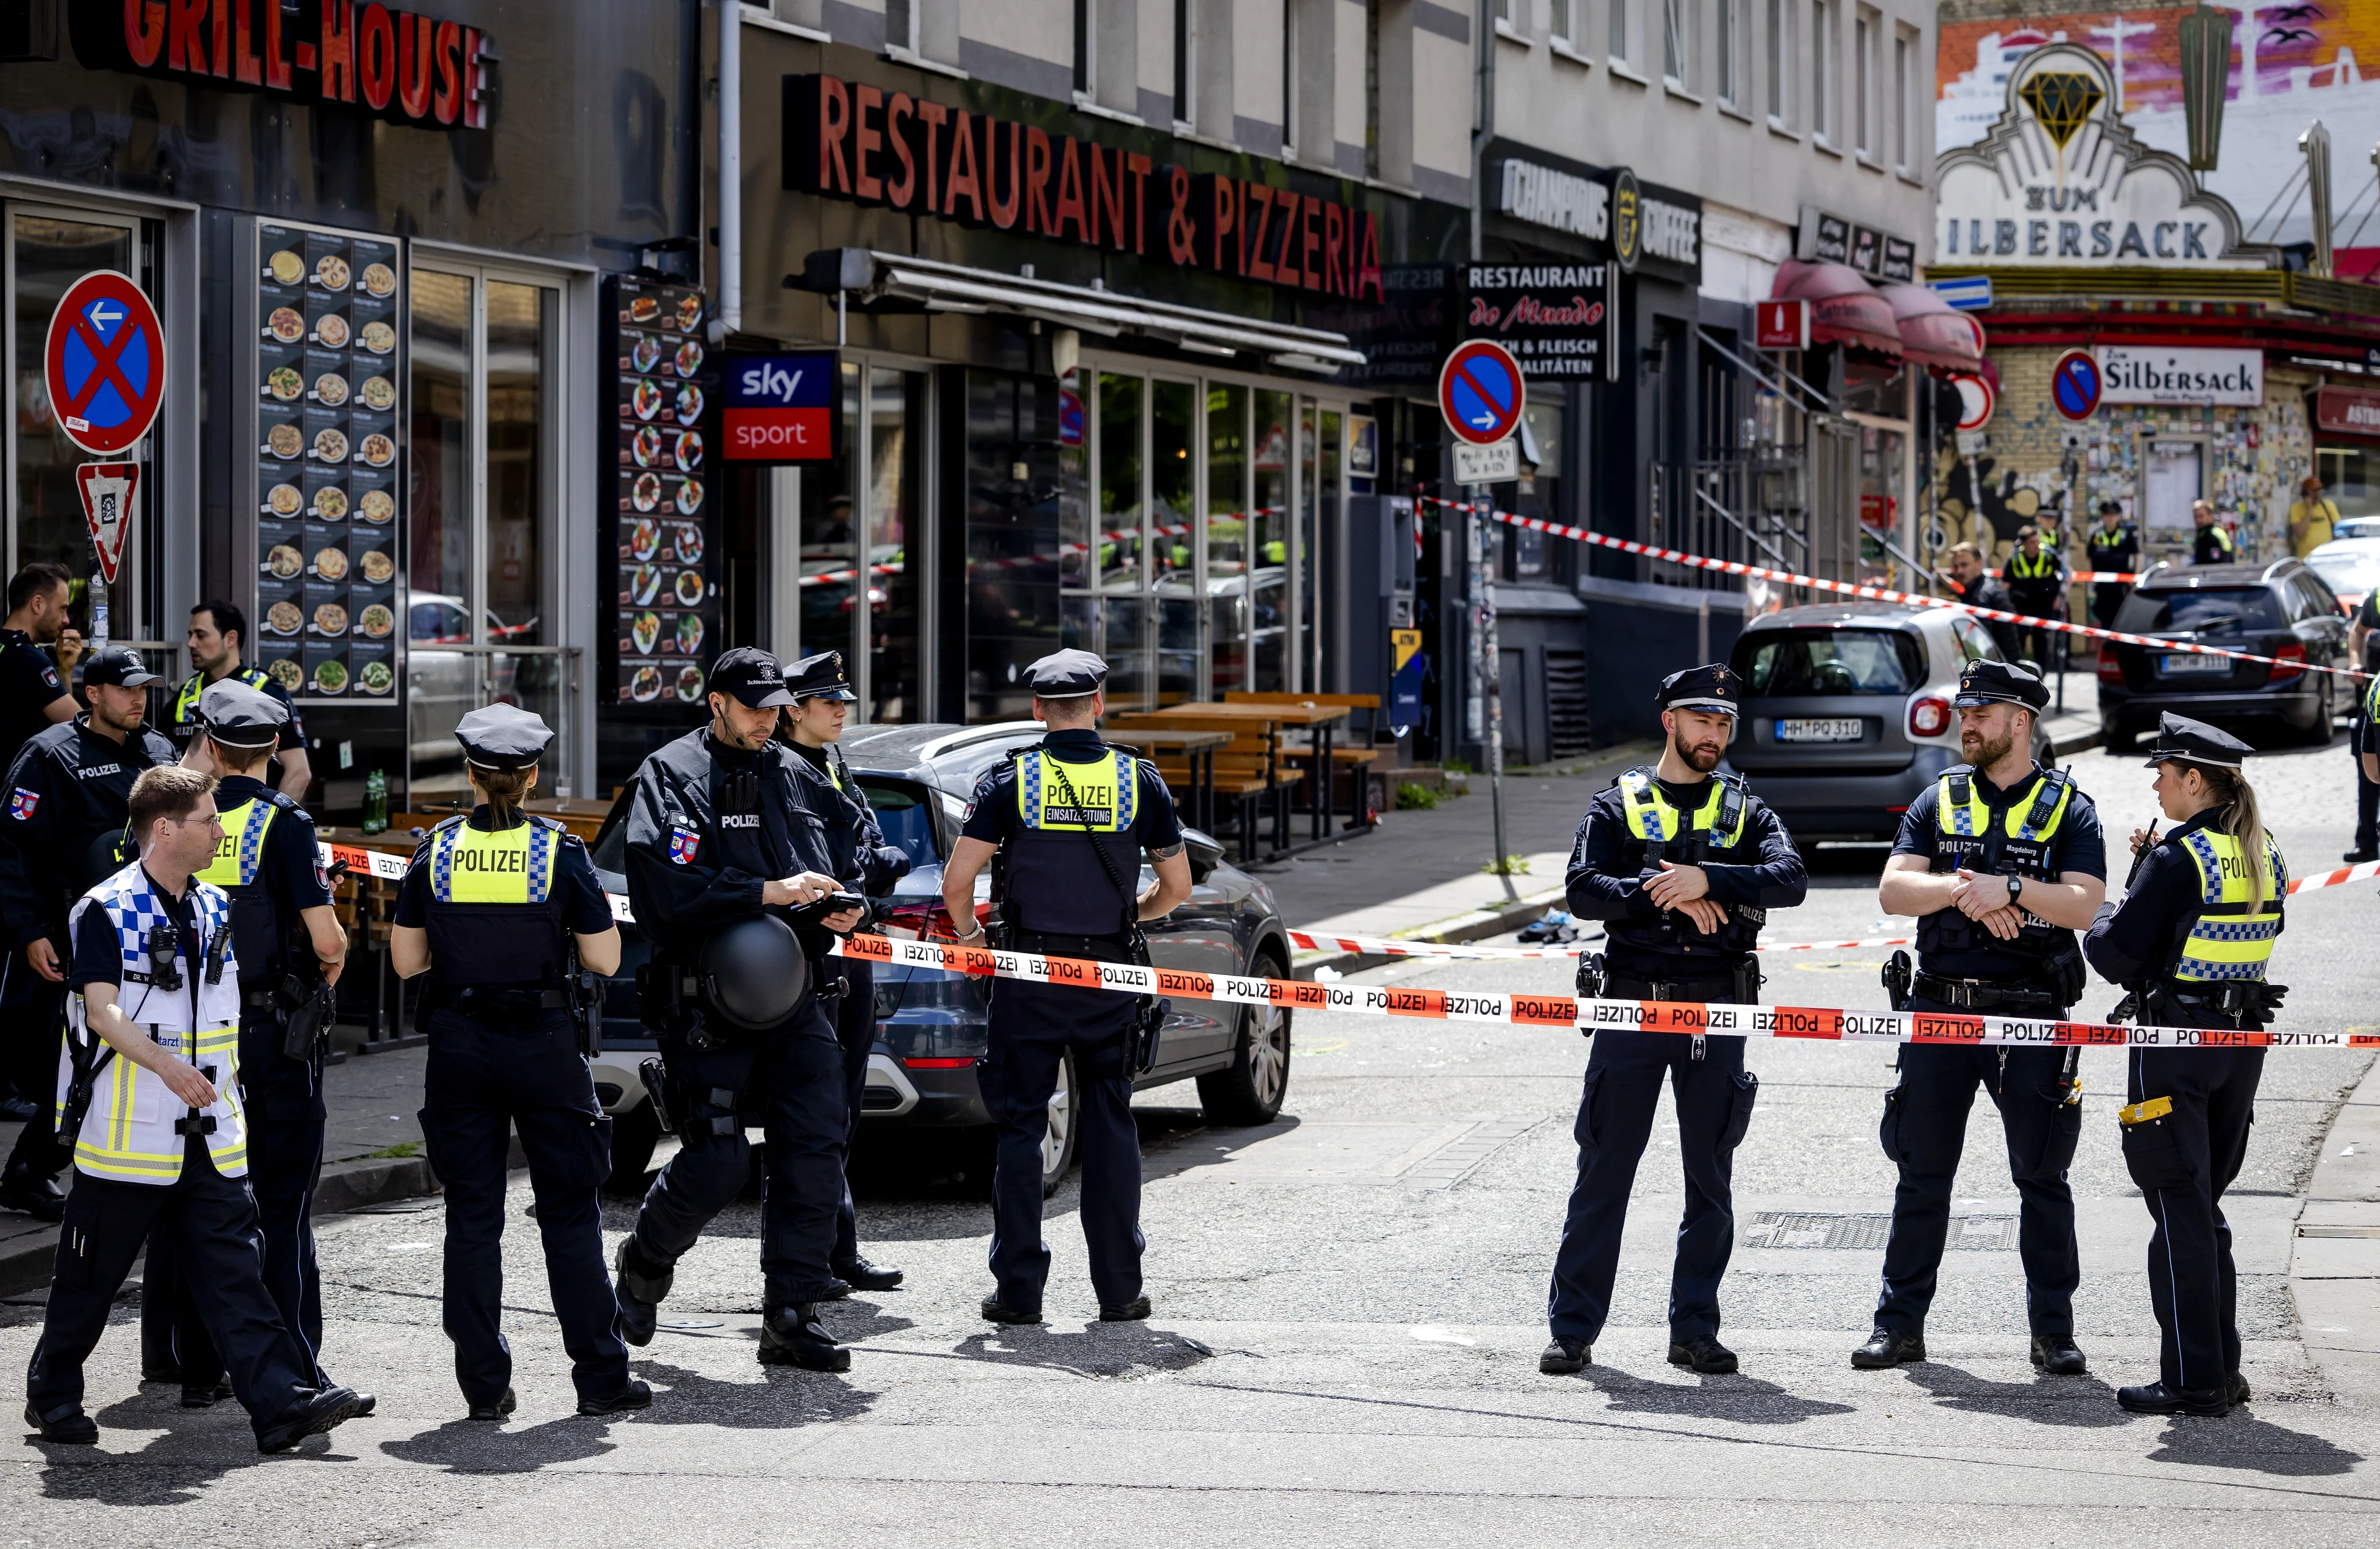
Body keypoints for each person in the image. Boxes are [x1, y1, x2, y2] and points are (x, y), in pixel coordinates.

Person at [22, 765, 366, 1451]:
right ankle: (52, 1395)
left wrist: (223, 1088)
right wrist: (167, 1066)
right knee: (90, 1279)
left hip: (209, 1132)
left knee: (236, 1272)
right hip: (130, 1137)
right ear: (165, 829)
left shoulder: (212, 906)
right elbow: (102, 1011)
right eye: (209, 820)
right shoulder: (105, 909)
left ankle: (280, 1405)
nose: (219, 830)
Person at [1541, 666, 1807, 1377]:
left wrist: (1712, 879)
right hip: (1633, 1005)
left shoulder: (1746, 810)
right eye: (1701, 722)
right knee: (1604, 1170)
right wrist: (1664, 893)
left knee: (1709, 1178)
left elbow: (1791, 879)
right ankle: (1572, 1329)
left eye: (1723, 724)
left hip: (1715, 1009)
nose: (1713, 737)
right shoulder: (1619, 804)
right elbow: (1581, 890)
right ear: (1670, 722)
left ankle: (1694, 1330)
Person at [612, 647, 866, 1372]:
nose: (768, 720)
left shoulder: (793, 773)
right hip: (705, 1000)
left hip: (798, 998)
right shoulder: (673, 775)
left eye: (775, 708)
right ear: (716, 702)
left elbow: (855, 851)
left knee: (815, 1145)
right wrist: (767, 893)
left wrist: (851, 906)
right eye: (754, 708)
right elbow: (666, 887)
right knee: (718, 1158)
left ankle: (791, 1314)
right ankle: (643, 1262)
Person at [391, 704, 646, 1421]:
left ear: (471, 774)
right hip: (543, 1046)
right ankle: (600, 1379)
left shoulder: (433, 851)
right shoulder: (559, 852)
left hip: (460, 1045)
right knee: (570, 1214)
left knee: (472, 1218)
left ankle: (483, 1389)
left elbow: (409, 963)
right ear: (532, 775)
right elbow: (604, 955)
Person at [1858, 658, 2108, 1375]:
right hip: (1940, 1009)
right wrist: (1970, 891)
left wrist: (2015, 888)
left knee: (2041, 1178)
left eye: (1982, 713)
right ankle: (1898, 1324)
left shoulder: (2070, 808)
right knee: (1921, 1174)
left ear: (2021, 722)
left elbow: (2086, 905)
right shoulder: (1936, 799)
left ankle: (2053, 1333)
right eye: (1965, 712)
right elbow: (1894, 892)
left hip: (2031, 1016)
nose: (1966, 723)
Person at [938, 649, 1191, 1326]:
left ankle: (1019, 1292)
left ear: (1038, 711)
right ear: (1100, 704)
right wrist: (1123, 918)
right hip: (1110, 977)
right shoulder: (1141, 783)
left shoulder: (1007, 784)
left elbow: (957, 885)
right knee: (1110, 1122)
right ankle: (1119, 1291)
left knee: (1022, 1129)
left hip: (1028, 977)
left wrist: (972, 940)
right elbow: (1179, 888)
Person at [141, 683, 355, 1408]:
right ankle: (297, 1369)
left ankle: (197, 1367)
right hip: (270, 1038)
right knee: (283, 1204)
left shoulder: (171, 821)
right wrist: (331, 960)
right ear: (274, 749)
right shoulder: (284, 824)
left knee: (206, 1201)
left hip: (191, 1037)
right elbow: (326, 941)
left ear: (207, 744)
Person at [2084, 714, 2285, 1417]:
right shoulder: (2262, 849)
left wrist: (2120, 898)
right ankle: (2221, 1369)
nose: (2160, 787)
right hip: (2237, 1047)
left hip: (2173, 1046)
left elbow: (2112, 955)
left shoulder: (2176, 859)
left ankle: (2193, 1380)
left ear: (2194, 779)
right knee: (2202, 1207)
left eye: (2165, 776)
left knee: (2176, 1210)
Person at [0, 648, 177, 1222]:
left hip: (149, 936)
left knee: (121, 1056)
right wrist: (28, 933)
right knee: (75, 1060)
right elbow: (12, 850)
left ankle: (39, 1169)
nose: (138, 699)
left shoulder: (158, 751)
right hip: (70, 938)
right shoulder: (49, 755)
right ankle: (32, 1169)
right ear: (93, 692)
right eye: (126, 689)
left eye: (144, 689)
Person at [777, 650, 911, 1294]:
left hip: (854, 952)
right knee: (811, 1108)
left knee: (845, 1104)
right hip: (804, 957)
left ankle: (838, 1247)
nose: (841, 711)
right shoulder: (784, 774)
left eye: (843, 701)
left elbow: (859, 850)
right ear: (793, 711)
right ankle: (809, 1258)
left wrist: (876, 871)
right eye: (828, 702)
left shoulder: (833, 764)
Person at [169, 601, 309, 799]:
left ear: (230, 639)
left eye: (201, 635)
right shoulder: (186, 693)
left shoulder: (264, 691)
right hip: (195, 825)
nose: (191, 644)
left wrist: (271, 822)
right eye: (191, 636)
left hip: (250, 824)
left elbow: (299, 772)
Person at [0, 562, 83, 777]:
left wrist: (64, 671)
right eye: (62, 608)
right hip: (14, 787)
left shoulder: (8, 648)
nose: (66, 620)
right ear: (37, 604)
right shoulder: (28, 657)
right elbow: (77, 727)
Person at [2003, 524, 2068, 670]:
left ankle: (2042, 672)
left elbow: (2065, 575)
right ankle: (2017, 671)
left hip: (2044, 604)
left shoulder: (2048, 555)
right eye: (2031, 543)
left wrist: (2059, 597)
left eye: (2037, 541)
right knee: (2020, 637)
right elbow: (2005, 584)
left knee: (2041, 638)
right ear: (2023, 544)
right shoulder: (2015, 558)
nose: (2035, 546)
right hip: (2022, 605)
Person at [1941, 542, 2020, 660]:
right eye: (1956, 567)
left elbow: (2010, 643)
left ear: (1979, 564)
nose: (1959, 571)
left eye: (1964, 565)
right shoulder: (1967, 593)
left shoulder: (1991, 595)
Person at [2347, 593, 2379, 863]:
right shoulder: (2378, 597)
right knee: (2368, 773)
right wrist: (2355, 662)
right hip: (2374, 703)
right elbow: (2357, 632)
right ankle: (2367, 841)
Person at [2085, 500, 2140, 629]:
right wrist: (2092, 578)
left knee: (2121, 618)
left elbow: (2137, 555)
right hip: (2103, 586)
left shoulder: (2125, 534)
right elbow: (2089, 556)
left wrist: (2135, 577)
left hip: (2121, 586)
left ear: (2118, 516)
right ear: (2103, 517)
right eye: (2107, 515)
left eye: (2113, 515)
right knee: (2104, 618)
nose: (2110, 518)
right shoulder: (2097, 535)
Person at [2289, 474, 2339, 559]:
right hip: (2306, 557)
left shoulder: (2328, 506)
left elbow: (2338, 529)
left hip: (2327, 556)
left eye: (2319, 490)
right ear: (2305, 493)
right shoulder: (2296, 509)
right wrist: (2309, 510)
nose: (2317, 494)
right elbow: (2299, 533)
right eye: (2313, 491)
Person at [2191, 501, 2236, 567]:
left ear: (2211, 516)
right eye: (2196, 517)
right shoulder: (2202, 534)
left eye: (2201, 516)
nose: (2198, 520)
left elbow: (2217, 563)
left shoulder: (2214, 535)